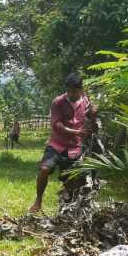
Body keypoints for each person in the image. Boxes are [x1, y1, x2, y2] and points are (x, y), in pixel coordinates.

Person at [30, 72, 96, 212]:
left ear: (81, 89)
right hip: (56, 145)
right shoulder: (58, 102)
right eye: (69, 90)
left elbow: (92, 122)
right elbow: (57, 125)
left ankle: (66, 206)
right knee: (44, 169)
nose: (71, 93)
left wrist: (94, 114)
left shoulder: (86, 102)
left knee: (72, 181)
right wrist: (77, 132)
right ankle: (38, 201)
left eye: (74, 90)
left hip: (74, 148)